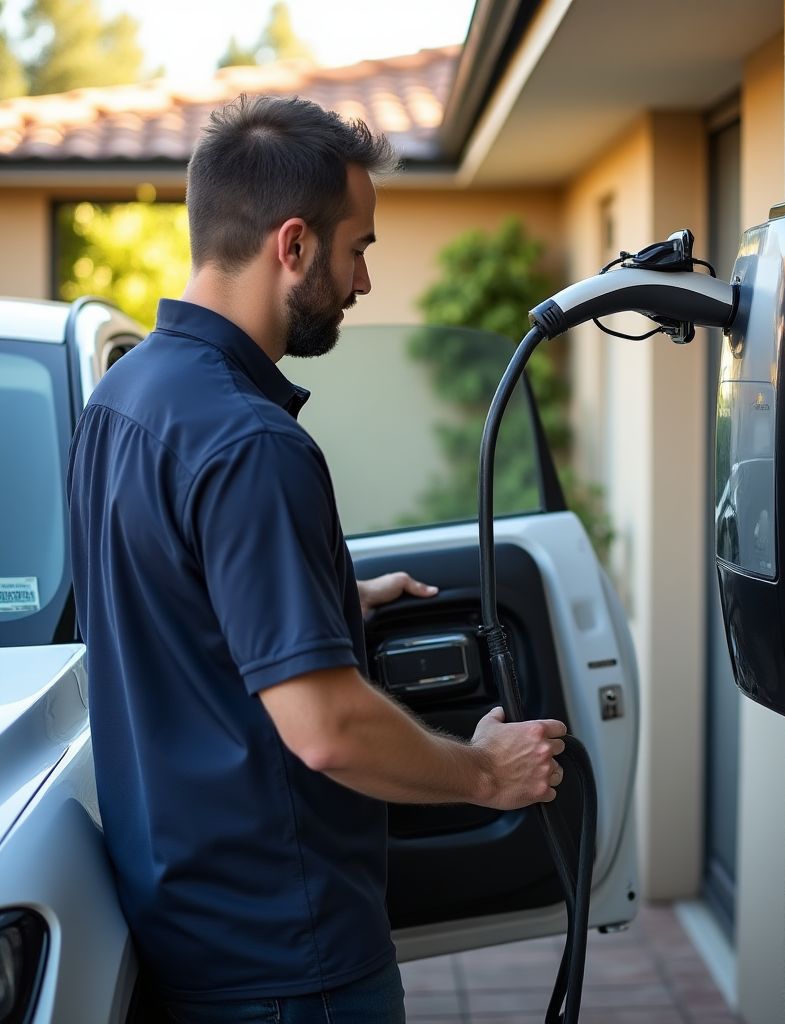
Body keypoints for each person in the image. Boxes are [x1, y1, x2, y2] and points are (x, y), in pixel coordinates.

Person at [66, 93, 567, 1024]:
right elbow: (326, 728)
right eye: (359, 247)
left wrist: (332, 595)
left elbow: (168, 606)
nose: (364, 281)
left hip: (186, 930)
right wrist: (487, 773)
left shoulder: (121, 400)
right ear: (292, 245)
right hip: (293, 967)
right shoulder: (253, 444)